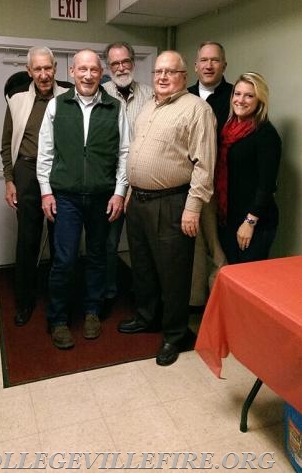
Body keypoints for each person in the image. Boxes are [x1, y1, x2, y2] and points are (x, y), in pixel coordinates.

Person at [118, 50, 216, 366]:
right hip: (139, 202)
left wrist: (192, 209)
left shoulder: (197, 110)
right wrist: (132, 189)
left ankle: (174, 335)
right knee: (143, 266)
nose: (162, 77)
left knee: (174, 274)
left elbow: (204, 165)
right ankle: (147, 316)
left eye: (170, 72)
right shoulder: (148, 107)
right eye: (158, 71)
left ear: (183, 76)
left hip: (172, 203)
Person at [37, 49, 129, 350]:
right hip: (66, 197)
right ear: (72, 72)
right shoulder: (56, 105)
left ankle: (92, 311)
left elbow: (124, 154)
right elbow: (45, 154)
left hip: (103, 196)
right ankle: (59, 320)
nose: (88, 75)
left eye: (93, 70)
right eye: (82, 69)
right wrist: (46, 191)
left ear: (100, 73)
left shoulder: (115, 107)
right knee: (63, 260)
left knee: (98, 257)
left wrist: (119, 192)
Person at [1, 47, 71, 326]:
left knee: (61, 240)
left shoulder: (69, 96)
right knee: (28, 240)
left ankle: (60, 300)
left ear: (55, 69)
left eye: (48, 68)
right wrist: (9, 179)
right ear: (29, 71)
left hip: (60, 171)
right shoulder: (17, 100)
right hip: (26, 172)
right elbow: (6, 144)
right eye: (37, 69)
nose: (43, 74)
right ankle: (25, 301)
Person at [102, 42, 153, 304]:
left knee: (142, 245)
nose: (121, 67)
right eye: (115, 64)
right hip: (111, 185)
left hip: (143, 184)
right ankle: (109, 293)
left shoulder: (151, 95)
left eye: (125, 62)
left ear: (133, 62)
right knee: (109, 244)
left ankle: (142, 294)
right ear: (107, 67)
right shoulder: (100, 94)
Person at [215, 72, 282, 264]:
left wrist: (250, 222)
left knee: (247, 279)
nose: (240, 100)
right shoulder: (227, 129)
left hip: (254, 221)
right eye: (237, 94)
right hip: (228, 217)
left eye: (249, 95)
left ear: (259, 100)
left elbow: (266, 185)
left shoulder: (266, 135)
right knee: (231, 275)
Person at [188, 41, 233, 306]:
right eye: (203, 60)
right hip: (191, 185)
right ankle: (197, 303)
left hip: (223, 187)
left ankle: (221, 306)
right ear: (195, 66)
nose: (208, 65)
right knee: (195, 249)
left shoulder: (234, 95)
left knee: (218, 249)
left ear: (224, 65)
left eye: (214, 60)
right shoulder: (185, 95)